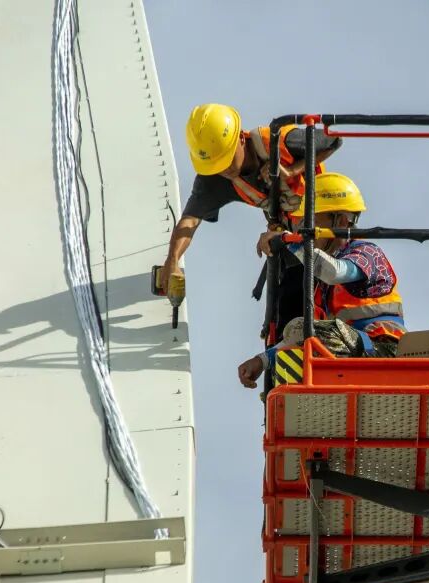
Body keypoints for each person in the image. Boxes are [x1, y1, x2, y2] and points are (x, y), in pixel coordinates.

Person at [237, 173, 406, 388]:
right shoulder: (322, 285)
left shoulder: (367, 253)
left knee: (303, 327)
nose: (305, 231)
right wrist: (262, 361)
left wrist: (290, 242)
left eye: (313, 222)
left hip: (385, 352)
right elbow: (302, 334)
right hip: (355, 354)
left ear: (341, 221)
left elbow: (335, 272)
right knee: (299, 329)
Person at [157, 103, 342, 290]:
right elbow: (189, 221)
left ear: (241, 138)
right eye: (216, 165)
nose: (224, 170)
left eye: (226, 159)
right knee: (289, 297)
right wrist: (172, 260)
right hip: (296, 244)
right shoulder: (214, 180)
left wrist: (293, 170)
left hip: (331, 228)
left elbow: (334, 140)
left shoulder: (278, 142)